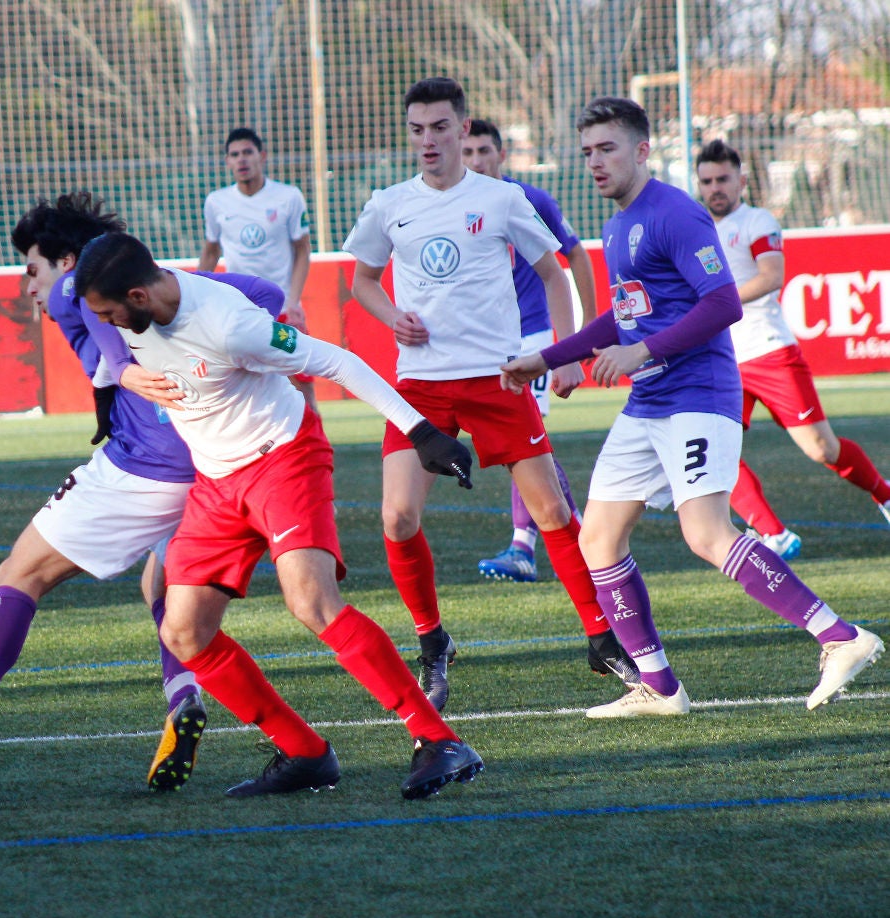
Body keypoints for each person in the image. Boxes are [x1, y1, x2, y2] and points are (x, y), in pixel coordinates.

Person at [0, 193, 286, 793]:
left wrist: (124, 366)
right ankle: (182, 702)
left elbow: (90, 311)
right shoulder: (168, 284)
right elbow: (270, 297)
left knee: (20, 573)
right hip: (208, 464)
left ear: (69, 261)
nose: (29, 287)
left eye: (32, 269)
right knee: (163, 590)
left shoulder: (78, 286)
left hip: (143, 468)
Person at [501, 97, 882, 717]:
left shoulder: (675, 213)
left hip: (700, 395)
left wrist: (638, 351)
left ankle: (842, 637)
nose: (596, 163)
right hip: (651, 400)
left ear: (642, 149)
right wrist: (549, 359)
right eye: (588, 152)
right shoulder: (620, 224)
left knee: (705, 532)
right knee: (597, 538)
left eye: (608, 149)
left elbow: (723, 304)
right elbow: (620, 313)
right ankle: (658, 685)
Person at [76, 231, 485, 801]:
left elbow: (339, 361)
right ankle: (306, 754)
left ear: (139, 296)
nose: (105, 323)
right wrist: (115, 378)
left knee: (310, 602)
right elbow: (92, 324)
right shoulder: (126, 309)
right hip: (217, 481)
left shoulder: (228, 323)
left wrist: (421, 432)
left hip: (283, 459)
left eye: (109, 312)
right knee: (184, 630)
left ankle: (439, 740)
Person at [344, 77, 640, 711]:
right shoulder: (387, 203)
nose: (428, 140)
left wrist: (567, 352)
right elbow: (362, 282)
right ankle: (432, 640)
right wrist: (390, 314)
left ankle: (599, 635)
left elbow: (554, 275)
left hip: (497, 379)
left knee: (554, 513)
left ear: (462, 128)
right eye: (417, 129)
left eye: (440, 128)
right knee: (397, 518)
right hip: (419, 389)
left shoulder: (502, 199)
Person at [694, 138, 890, 557]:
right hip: (721, 360)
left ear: (742, 180)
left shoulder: (757, 222)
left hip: (768, 352)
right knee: (714, 448)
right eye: (707, 180)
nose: (716, 188)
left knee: (823, 449)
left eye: (723, 179)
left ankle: (884, 493)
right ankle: (773, 534)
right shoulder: (694, 229)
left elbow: (771, 276)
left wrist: (716, 307)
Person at [461, 118, 599, 584]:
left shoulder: (530, 200)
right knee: (523, 447)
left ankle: (524, 546)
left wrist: (579, 342)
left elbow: (574, 257)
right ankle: (585, 536)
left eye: (484, 150)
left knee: (526, 440)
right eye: (469, 152)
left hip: (534, 341)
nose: (477, 160)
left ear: (501, 155)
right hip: (485, 345)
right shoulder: (452, 207)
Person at [199, 127, 312, 330]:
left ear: (262, 157)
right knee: (242, 362)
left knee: (294, 361)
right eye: (235, 154)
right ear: (228, 162)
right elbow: (211, 251)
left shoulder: (289, 196)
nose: (241, 159)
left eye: (248, 152)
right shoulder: (216, 202)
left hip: (284, 310)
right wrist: (195, 297)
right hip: (241, 310)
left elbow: (302, 250)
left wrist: (294, 301)